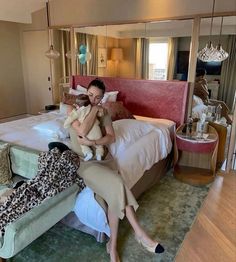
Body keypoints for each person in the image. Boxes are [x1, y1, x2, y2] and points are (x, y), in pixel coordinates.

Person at [67, 78, 164, 262]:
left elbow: (111, 138)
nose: (93, 99)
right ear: (86, 93)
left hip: (106, 160)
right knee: (118, 183)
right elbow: (84, 131)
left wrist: (95, 142)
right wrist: (94, 110)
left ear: (103, 98)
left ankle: (112, 247)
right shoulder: (73, 110)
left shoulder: (104, 114)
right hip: (86, 163)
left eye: (98, 98)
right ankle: (140, 234)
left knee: (113, 194)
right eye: (90, 95)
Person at [64, 94, 104, 161]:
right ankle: (99, 155)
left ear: (77, 105)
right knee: (100, 146)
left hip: (87, 134)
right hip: (97, 132)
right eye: (91, 95)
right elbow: (100, 114)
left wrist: (65, 125)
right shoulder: (92, 108)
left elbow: (70, 118)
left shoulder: (78, 112)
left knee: (81, 142)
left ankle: (88, 153)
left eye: (97, 97)